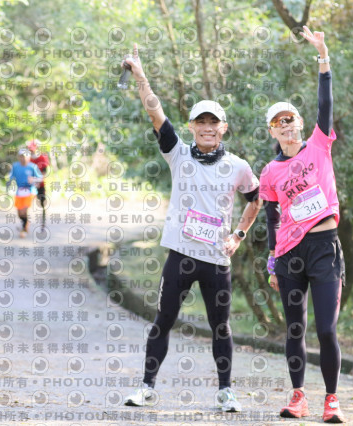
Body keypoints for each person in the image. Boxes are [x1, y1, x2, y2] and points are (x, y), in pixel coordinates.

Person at [121, 43, 262, 412]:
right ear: (192, 127)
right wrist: (140, 74)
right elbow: (155, 111)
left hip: (217, 260)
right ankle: (146, 387)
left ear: (223, 128)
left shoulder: (238, 166)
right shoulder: (178, 154)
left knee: (221, 327)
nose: (207, 128)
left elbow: (256, 199)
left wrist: (239, 235)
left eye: (214, 123)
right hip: (181, 257)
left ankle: (226, 392)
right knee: (163, 320)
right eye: (201, 122)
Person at [259, 26, 346, 423]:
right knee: (295, 329)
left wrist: (322, 55)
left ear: (298, 122)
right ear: (272, 130)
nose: (286, 125)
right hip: (289, 255)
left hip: (324, 248)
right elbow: (272, 217)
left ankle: (332, 400)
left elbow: (325, 100)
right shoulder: (270, 172)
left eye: (290, 119)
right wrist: (272, 261)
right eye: (279, 122)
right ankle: (298, 397)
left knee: (326, 329)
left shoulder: (319, 143)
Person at [7, 148, 43, 238]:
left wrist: (33, 179)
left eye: (25, 156)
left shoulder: (32, 167)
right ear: (19, 157)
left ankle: (24, 228)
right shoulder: (15, 166)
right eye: (21, 156)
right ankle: (25, 223)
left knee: (24, 210)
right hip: (19, 191)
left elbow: (40, 178)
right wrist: (9, 186)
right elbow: (10, 177)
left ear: (29, 157)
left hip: (30, 191)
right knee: (20, 212)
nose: (23, 158)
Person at [26, 139, 50, 215]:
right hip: (30, 181)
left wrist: (39, 180)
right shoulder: (28, 158)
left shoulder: (42, 157)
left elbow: (44, 170)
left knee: (41, 197)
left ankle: (43, 210)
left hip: (40, 181)